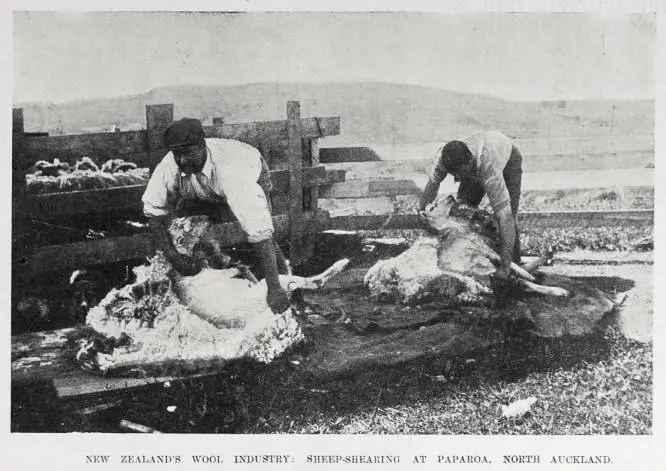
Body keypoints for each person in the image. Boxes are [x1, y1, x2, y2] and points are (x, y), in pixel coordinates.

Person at [142, 118, 290, 314]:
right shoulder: (170, 166)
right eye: (177, 154)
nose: (183, 161)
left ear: (202, 146)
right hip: (198, 188)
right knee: (190, 230)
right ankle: (222, 283)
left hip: (245, 171)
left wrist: (274, 288)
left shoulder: (233, 173)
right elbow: (154, 213)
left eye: (188, 153)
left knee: (256, 231)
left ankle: (285, 286)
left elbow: (259, 232)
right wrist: (174, 257)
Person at [418, 130, 523, 280]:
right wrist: (423, 214)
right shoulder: (442, 159)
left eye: (460, 173)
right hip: (477, 159)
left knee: (508, 216)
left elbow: (505, 218)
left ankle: (512, 265)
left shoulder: (489, 167)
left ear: (469, 163)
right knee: (462, 211)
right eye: (454, 175)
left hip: (507, 159)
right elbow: (432, 186)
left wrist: (504, 268)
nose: (458, 179)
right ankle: (467, 258)